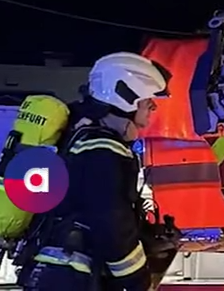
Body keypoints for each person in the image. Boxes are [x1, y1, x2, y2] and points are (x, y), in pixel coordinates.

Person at [17, 52, 176, 291]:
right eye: (148, 100)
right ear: (125, 98)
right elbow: (109, 219)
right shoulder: (102, 149)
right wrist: (137, 280)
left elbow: (91, 210)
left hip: (59, 276)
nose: (153, 107)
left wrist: (145, 236)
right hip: (71, 279)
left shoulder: (84, 138)